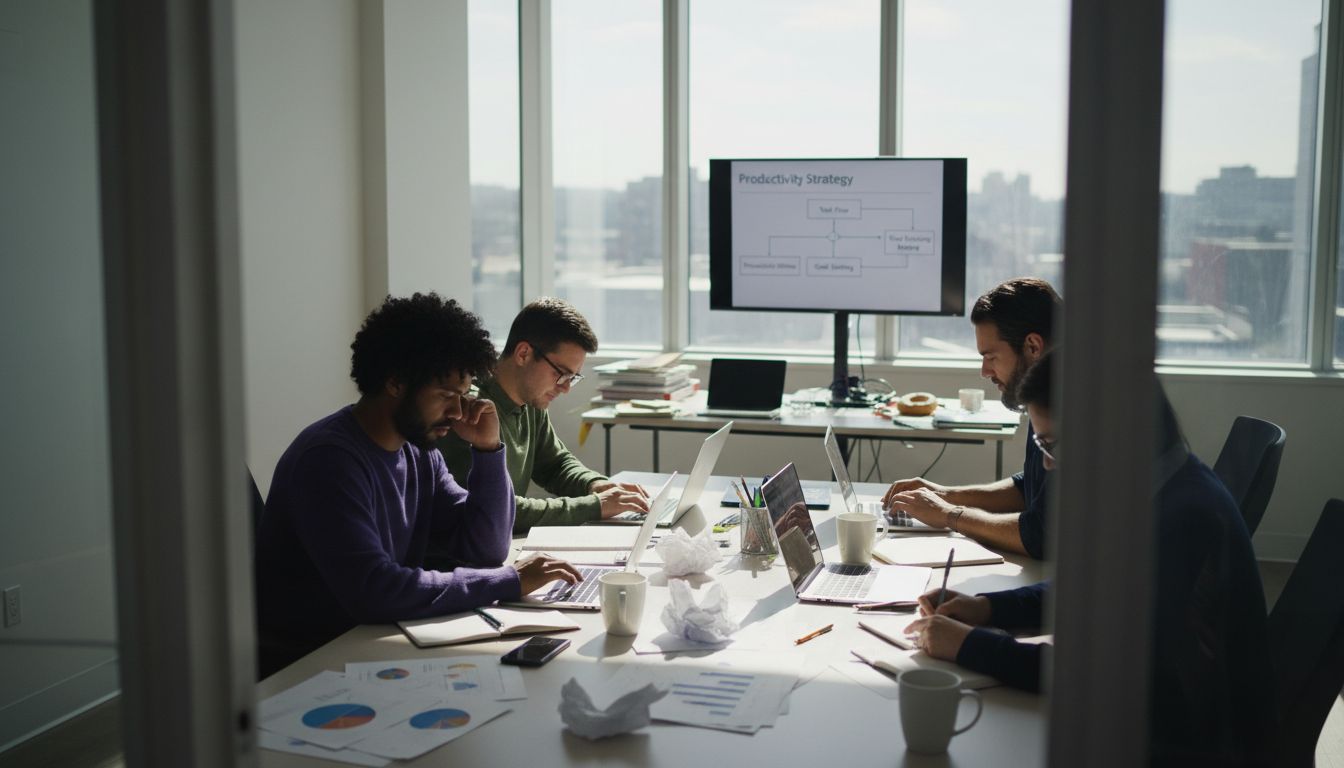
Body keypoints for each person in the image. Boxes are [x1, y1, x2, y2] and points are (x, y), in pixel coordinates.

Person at [904, 352, 1276, 763]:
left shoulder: (1184, 517)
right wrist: (986, 608)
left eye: (1051, 445)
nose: (1048, 464)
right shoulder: (1162, 484)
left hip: (1182, 744)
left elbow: (1104, 680)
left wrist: (971, 646)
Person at [254, 293, 580, 676]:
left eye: (463, 396)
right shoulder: (329, 460)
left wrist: (489, 450)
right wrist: (509, 581)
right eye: (446, 395)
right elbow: (375, 590)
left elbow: (486, 547)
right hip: (310, 662)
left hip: (373, 643)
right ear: (395, 382)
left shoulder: (419, 452)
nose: (458, 412)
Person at [437, 297, 650, 534]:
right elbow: (497, 509)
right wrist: (594, 506)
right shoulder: (469, 410)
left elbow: (555, 465)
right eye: (561, 373)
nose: (565, 387)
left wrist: (595, 485)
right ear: (523, 354)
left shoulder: (531, 402)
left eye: (573, 378)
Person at [882, 277, 1060, 558]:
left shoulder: (1079, 406)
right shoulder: (1045, 391)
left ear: (1033, 347)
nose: (984, 371)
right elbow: (1031, 487)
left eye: (991, 357)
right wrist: (945, 494)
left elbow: (1041, 534)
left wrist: (950, 515)